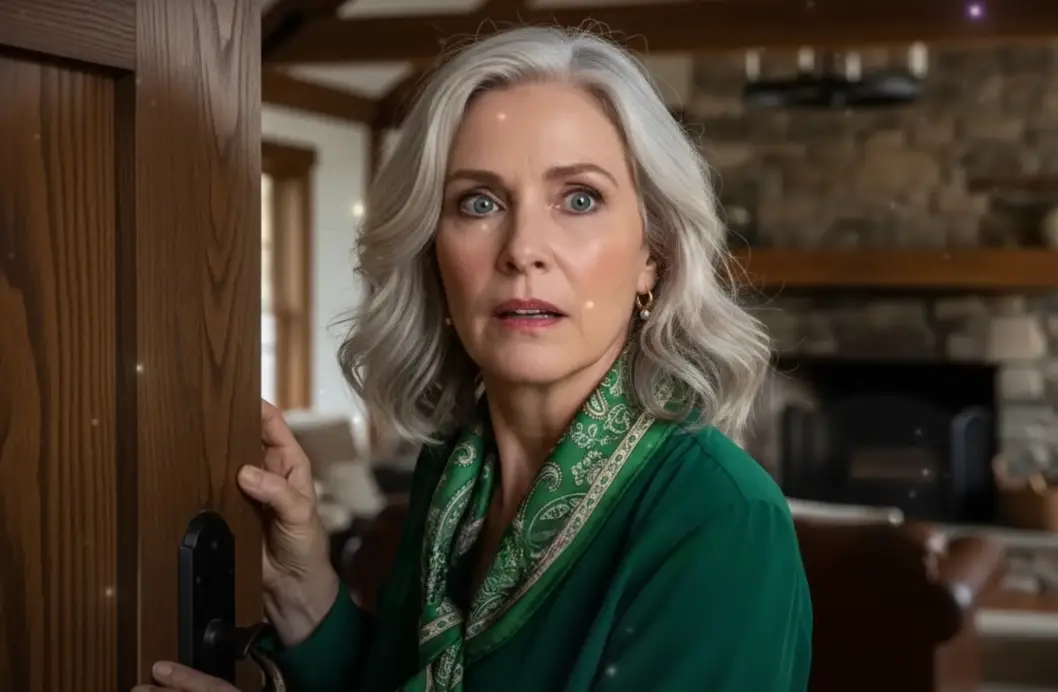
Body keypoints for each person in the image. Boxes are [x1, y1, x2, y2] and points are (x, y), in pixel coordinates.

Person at [135, 25, 811, 692]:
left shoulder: (721, 520)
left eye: (579, 199)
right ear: (433, 252)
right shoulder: (453, 474)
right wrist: (300, 586)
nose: (522, 249)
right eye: (479, 202)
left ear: (652, 256)